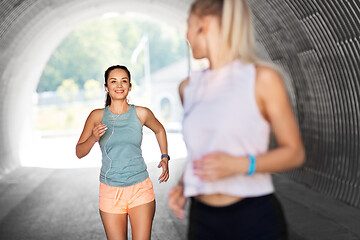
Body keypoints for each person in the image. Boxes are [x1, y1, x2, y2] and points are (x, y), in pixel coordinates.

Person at [168, 0, 305, 239]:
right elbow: (202, 149)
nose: (186, 35)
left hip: (254, 218)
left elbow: (294, 153)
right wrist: (183, 185)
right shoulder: (188, 88)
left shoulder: (262, 79)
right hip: (202, 219)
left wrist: (242, 165)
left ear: (205, 25)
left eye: (189, 26)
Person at [76, 65, 170, 240]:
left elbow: (159, 130)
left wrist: (164, 157)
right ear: (106, 87)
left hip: (140, 188)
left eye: (124, 81)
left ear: (130, 86)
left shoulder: (141, 113)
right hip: (110, 191)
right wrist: (93, 138)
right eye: (113, 81)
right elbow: (79, 152)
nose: (119, 85)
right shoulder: (96, 116)